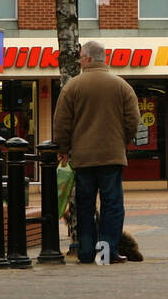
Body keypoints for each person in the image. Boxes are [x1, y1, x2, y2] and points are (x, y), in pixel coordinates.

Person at [52, 41, 139, 264]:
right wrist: (122, 142)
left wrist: (63, 148)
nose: (80, 61)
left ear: (89, 59)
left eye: (81, 58)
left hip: (83, 158)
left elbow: (62, 121)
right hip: (112, 156)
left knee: (84, 206)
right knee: (112, 205)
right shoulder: (121, 86)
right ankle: (107, 252)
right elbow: (133, 120)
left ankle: (86, 250)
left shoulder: (72, 87)